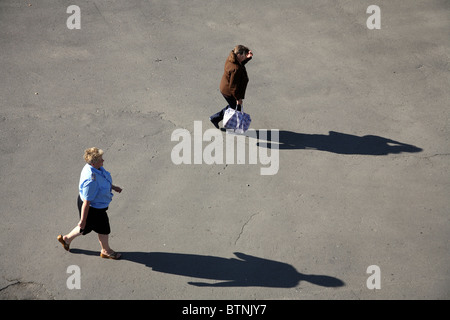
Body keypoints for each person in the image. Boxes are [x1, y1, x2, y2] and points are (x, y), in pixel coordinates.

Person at [58, 147, 123, 260]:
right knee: (102, 229)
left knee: (86, 228)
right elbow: (87, 202)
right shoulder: (90, 181)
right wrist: (82, 220)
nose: (103, 161)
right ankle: (106, 251)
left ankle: (66, 239)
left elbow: (103, 180)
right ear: (93, 163)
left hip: (95, 206)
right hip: (93, 208)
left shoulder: (96, 168)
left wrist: (113, 187)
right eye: (100, 159)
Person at [210, 45, 253, 129]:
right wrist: (238, 99)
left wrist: (247, 58)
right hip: (229, 91)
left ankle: (216, 118)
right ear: (239, 55)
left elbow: (240, 63)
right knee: (235, 107)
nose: (244, 58)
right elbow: (233, 86)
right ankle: (215, 118)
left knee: (233, 107)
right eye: (243, 56)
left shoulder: (232, 58)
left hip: (225, 87)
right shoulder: (235, 69)